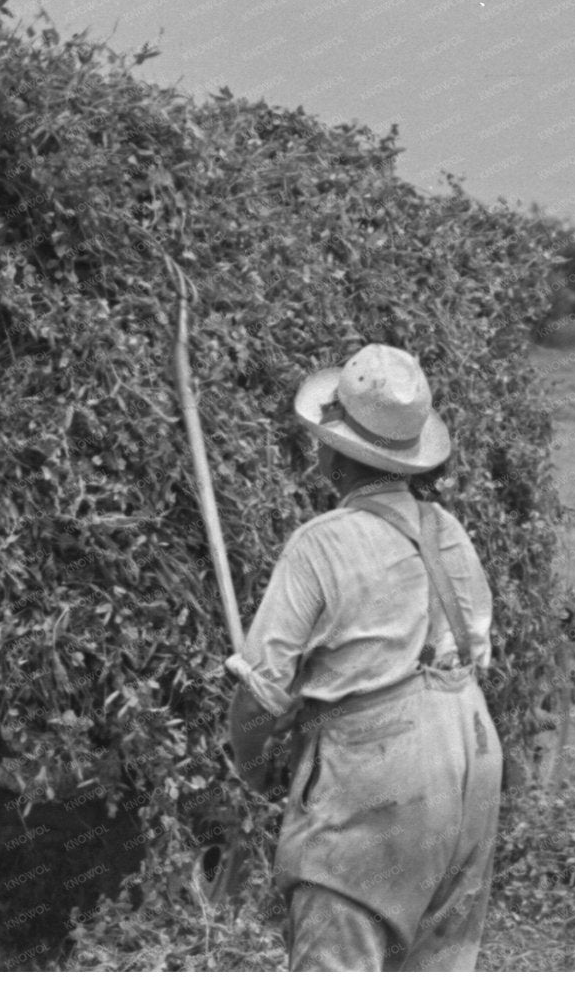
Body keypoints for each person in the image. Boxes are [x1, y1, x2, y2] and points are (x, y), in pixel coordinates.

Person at [225, 343, 503, 972]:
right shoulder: (448, 530)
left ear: (334, 452)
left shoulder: (320, 544)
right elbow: (475, 654)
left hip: (378, 772)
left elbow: (260, 693)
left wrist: (252, 767)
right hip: (468, 756)